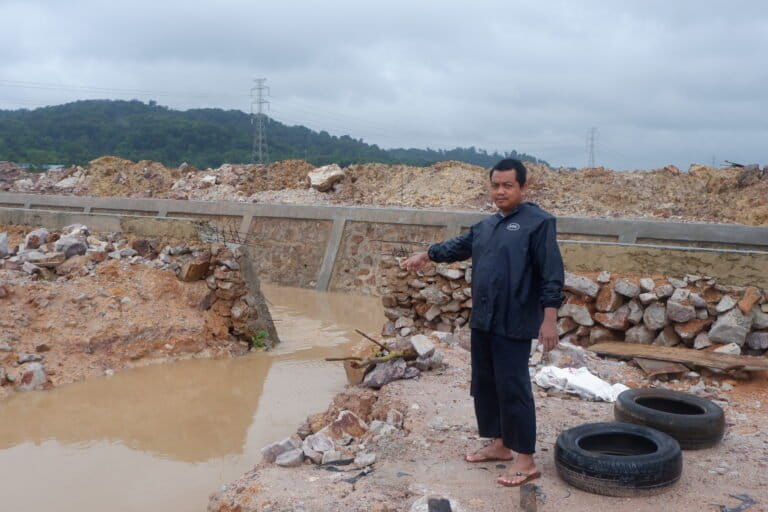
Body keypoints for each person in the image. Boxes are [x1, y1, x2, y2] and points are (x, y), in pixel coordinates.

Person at [402, 158, 564, 487]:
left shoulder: (539, 223)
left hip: (515, 320)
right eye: (495, 185)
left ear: (523, 187)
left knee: (514, 386)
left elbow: (551, 274)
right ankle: (501, 445)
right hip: (484, 319)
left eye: (507, 185)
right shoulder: (486, 226)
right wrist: (426, 254)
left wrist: (550, 319)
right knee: (486, 383)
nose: (500, 191)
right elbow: (457, 247)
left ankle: (526, 459)